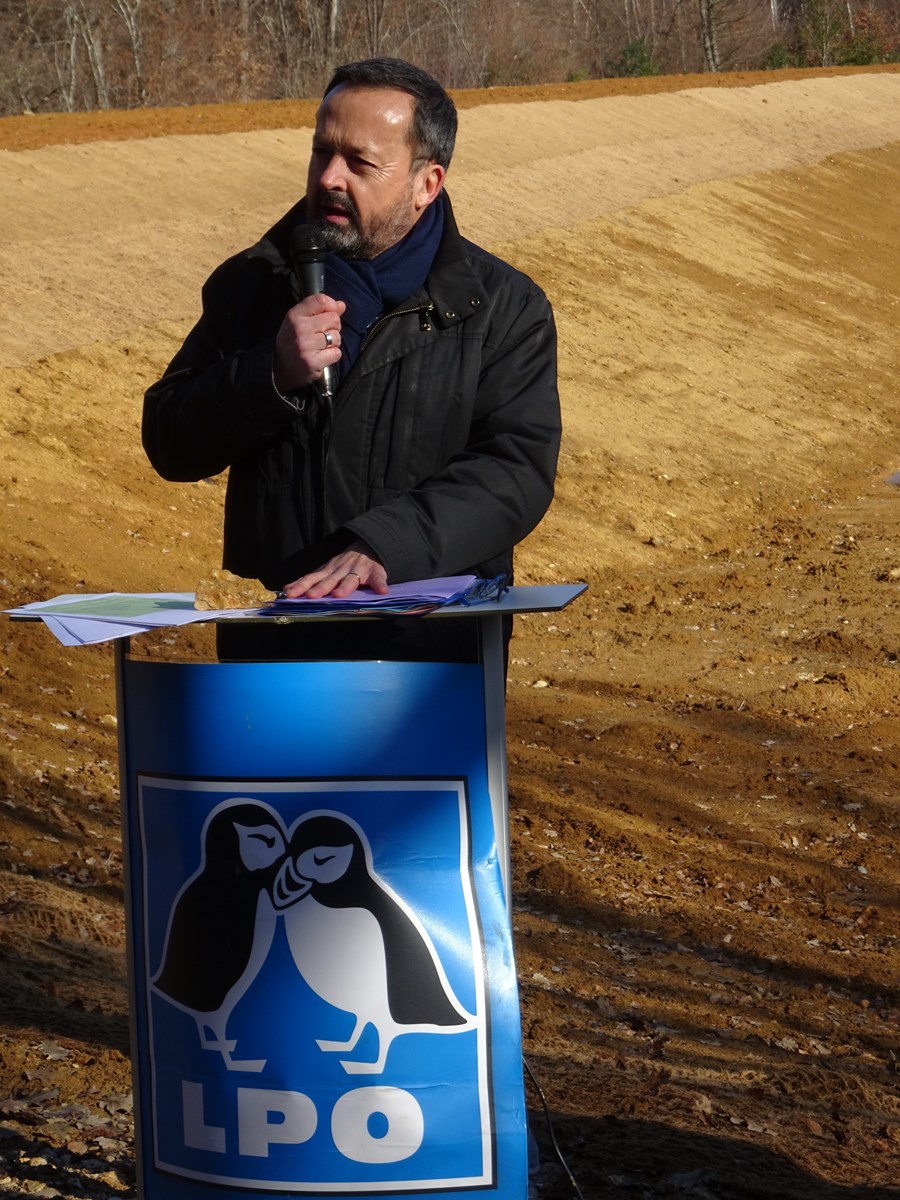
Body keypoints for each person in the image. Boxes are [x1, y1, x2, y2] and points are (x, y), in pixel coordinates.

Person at [142, 57, 561, 661]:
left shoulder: (502, 308)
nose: (330, 178)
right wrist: (271, 374)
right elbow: (169, 438)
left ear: (427, 183)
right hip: (278, 645)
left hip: (434, 649)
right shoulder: (252, 284)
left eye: (360, 163)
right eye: (321, 153)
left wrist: (386, 545)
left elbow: (514, 469)